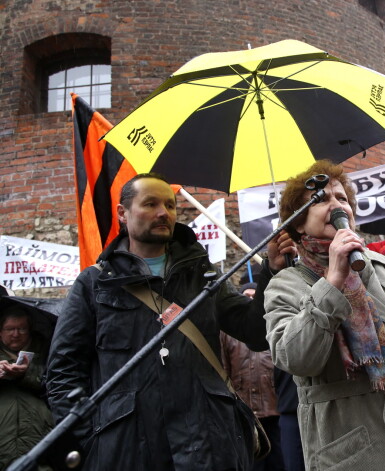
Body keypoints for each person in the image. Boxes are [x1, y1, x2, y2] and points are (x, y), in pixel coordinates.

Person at [46, 173, 295, 471]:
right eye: (150, 204)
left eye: (170, 205)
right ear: (122, 214)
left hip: (210, 447)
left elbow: (255, 333)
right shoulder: (95, 283)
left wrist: (271, 270)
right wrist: (89, 442)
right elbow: (62, 372)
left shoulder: (202, 276)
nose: (164, 213)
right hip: (127, 452)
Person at [264, 160, 385, 470]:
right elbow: (296, 358)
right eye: (321, 200)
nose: (337, 206)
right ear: (297, 223)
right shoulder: (285, 285)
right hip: (353, 452)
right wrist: (333, 278)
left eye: (343, 199)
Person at [220, 282, 285, 471]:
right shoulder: (227, 333)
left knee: (279, 462)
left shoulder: (274, 324)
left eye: (254, 296)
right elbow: (223, 368)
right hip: (245, 410)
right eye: (246, 295)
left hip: (275, 408)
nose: (250, 300)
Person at [0, 305, 54, 470]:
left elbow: (57, 383)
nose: (16, 334)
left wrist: (27, 374)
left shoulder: (49, 349)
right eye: (10, 329)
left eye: (22, 329)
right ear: (0, 331)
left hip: (40, 436)